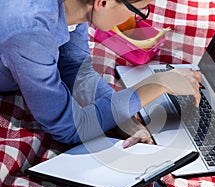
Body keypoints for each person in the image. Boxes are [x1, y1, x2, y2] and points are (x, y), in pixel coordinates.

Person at [0, 0, 201, 148]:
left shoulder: (72, 8)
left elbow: (74, 67)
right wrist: (158, 85)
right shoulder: (29, 30)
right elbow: (69, 127)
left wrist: (123, 119)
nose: (133, 20)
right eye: (138, 10)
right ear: (103, 3)